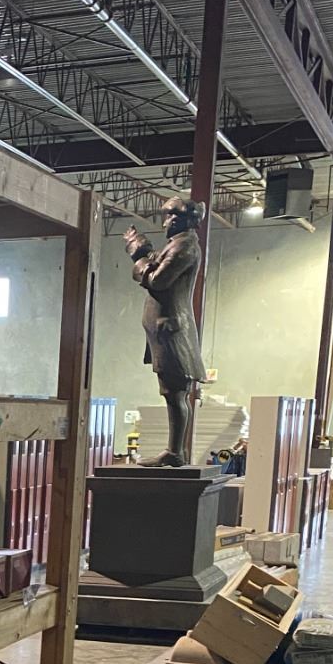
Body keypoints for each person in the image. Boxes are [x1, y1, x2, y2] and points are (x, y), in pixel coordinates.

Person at [123, 196, 209, 466]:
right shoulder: (177, 244)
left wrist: (139, 256)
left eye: (173, 216)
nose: (167, 222)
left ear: (187, 221)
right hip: (164, 329)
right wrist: (145, 251)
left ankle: (175, 452)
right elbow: (156, 268)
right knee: (172, 393)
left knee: (175, 393)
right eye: (167, 216)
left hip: (171, 329)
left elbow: (157, 280)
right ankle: (174, 451)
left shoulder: (185, 247)